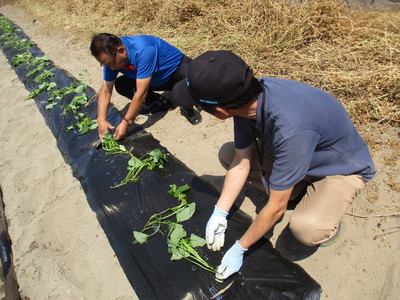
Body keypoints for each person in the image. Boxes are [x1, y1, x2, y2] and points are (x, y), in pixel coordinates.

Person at [173, 50, 375, 280]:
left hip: (337, 168)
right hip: (301, 156)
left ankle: (324, 216)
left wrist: (239, 248)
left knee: (306, 229)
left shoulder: (290, 128)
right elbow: (240, 162)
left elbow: (276, 208)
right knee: (229, 154)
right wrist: (219, 212)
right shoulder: (246, 97)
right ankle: (296, 189)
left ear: (221, 111)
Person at [90, 33, 201, 140]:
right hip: (151, 80)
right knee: (121, 84)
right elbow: (105, 90)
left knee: (192, 76)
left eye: (111, 64)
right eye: (105, 64)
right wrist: (101, 119)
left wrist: (125, 122)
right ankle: (158, 103)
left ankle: (186, 104)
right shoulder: (112, 57)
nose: (111, 68)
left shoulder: (143, 50)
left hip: (174, 73)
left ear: (121, 50)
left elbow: (140, 94)